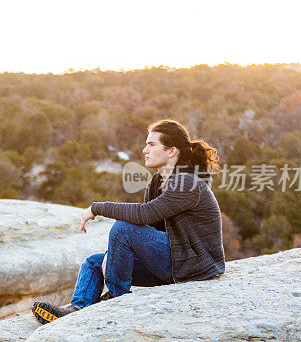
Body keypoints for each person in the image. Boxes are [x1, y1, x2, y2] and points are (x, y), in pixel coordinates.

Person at [32, 118, 225, 325]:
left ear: (171, 151)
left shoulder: (188, 183)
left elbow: (144, 215)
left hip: (193, 266)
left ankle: (116, 301)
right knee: (94, 263)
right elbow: (148, 229)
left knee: (123, 228)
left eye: (151, 145)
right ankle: (78, 308)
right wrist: (113, 257)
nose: (144, 150)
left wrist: (97, 208)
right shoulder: (158, 181)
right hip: (172, 260)